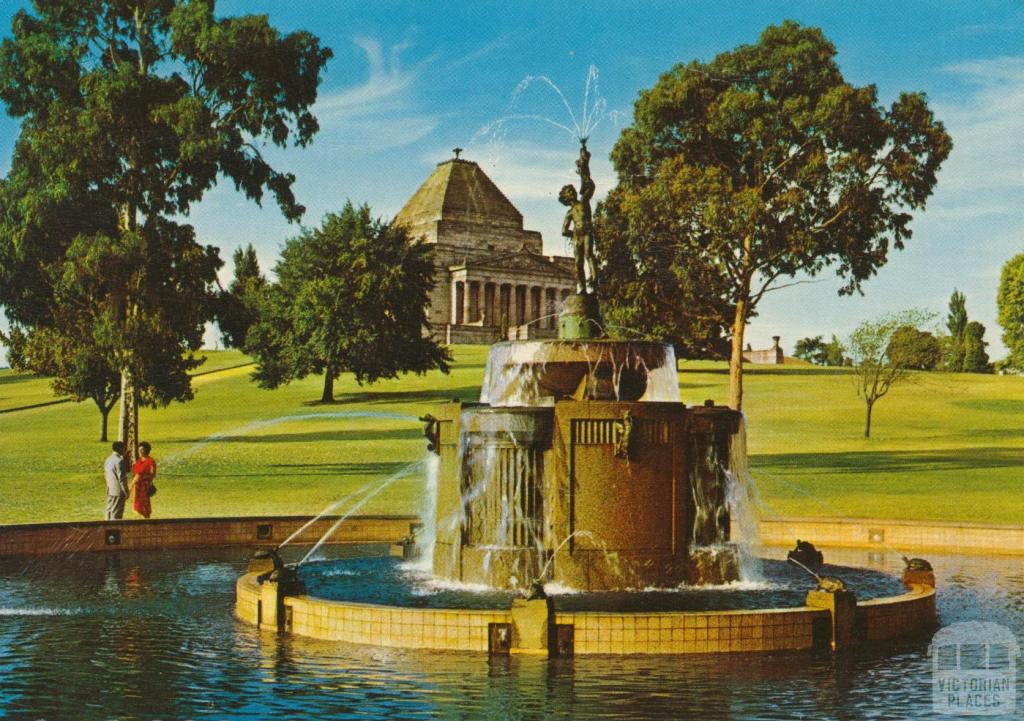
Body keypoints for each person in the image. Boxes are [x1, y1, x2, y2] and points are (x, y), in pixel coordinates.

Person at [130, 441, 158, 519]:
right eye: (140, 449)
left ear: (147, 450)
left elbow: (153, 474)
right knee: (137, 505)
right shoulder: (138, 461)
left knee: (144, 505)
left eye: (143, 449)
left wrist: (145, 479)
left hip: (144, 487)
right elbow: (135, 474)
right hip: (137, 486)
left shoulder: (150, 461)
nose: (141, 451)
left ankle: (145, 519)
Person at [104, 441, 128, 520]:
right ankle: (114, 531)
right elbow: (122, 478)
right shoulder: (119, 461)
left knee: (109, 511)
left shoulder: (108, 459)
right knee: (116, 514)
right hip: (118, 491)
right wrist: (126, 491)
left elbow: (106, 475)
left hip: (110, 489)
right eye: (123, 448)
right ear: (120, 449)